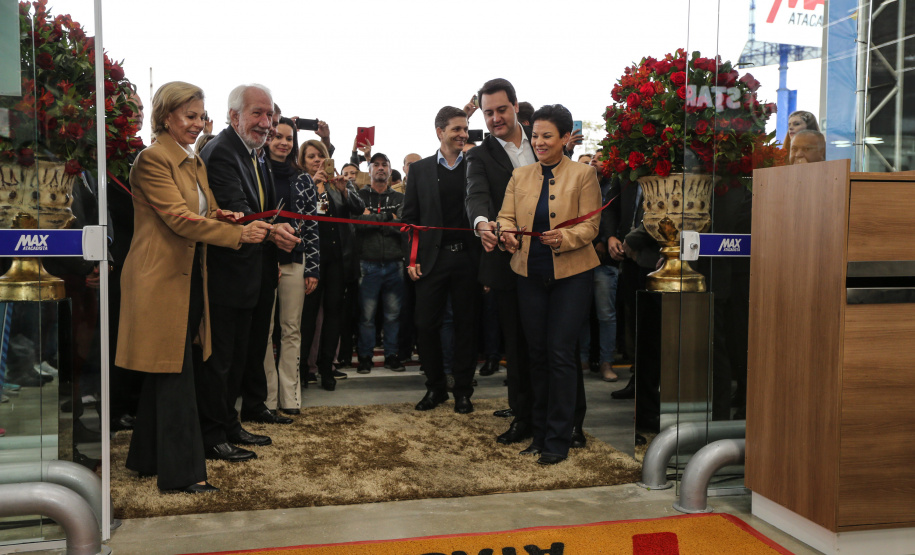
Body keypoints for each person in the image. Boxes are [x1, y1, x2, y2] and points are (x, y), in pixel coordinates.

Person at [117, 81, 272, 492]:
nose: (198, 124)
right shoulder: (152, 160)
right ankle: (183, 475)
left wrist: (227, 217)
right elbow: (179, 219)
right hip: (158, 281)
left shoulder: (193, 160)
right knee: (175, 375)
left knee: (168, 371)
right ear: (165, 116)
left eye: (201, 116)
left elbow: (205, 211)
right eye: (189, 116)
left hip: (187, 280)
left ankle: (146, 458)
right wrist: (239, 234)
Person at [199, 84, 299, 464]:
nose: (266, 122)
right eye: (257, 113)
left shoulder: (254, 152)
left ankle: (230, 424)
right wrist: (274, 232)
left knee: (241, 355)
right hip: (227, 274)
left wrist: (276, 233)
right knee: (222, 359)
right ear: (234, 116)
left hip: (254, 272)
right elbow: (237, 211)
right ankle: (214, 435)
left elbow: (266, 210)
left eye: (269, 114)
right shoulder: (222, 152)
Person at [496, 104, 601, 465]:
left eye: (547, 136)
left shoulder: (584, 174)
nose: (539, 142)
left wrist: (565, 238)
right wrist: (507, 233)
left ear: (565, 138)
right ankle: (539, 434)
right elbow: (505, 216)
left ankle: (559, 437)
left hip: (572, 275)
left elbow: (591, 226)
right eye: (535, 135)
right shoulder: (519, 175)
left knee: (559, 353)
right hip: (529, 274)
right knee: (537, 354)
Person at [465, 78, 536, 445]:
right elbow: (475, 195)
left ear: (516, 106)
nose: (495, 118)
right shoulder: (479, 155)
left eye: (501, 109)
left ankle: (568, 420)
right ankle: (523, 418)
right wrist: (482, 225)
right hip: (507, 262)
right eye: (488, 112)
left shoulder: (542, 139)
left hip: (553, 256)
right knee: (517, 345)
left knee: (559, 344)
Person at [402, 106, 480, 414]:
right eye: (457, 129)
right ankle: (435, 388)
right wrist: (411, 258)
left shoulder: (475, 165)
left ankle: (463, 391)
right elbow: (409, 220)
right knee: (425, 325)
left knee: (467, 327)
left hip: (468, 259)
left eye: (465, 129)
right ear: (440, 132)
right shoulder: (420, 170)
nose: (463, 134)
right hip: (430, 261)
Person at [262, 117, 320, 414]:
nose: (283, 143)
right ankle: (268, 396)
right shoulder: (257, 170)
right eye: (278, 137)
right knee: (264, 330)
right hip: (262, 259)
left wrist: (313, 268)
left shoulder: (304, 179)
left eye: (289, 138)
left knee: (291, 329)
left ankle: (290, 395)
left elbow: (311, 226)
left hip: (295, 261)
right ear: (267, 138)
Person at [299, 140, 365, 388]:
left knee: (333, 315)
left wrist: (344, 190)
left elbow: (358, 208)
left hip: (338, 259)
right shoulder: (302, 183)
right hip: (313, 260)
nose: (317, 160)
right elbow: (318, 213)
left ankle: (327, 367)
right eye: (311, 157)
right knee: (307, 317)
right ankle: (303, 369)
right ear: (303, 161)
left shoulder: (339, 182)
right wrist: (316, 187)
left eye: (321, 156)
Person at [354, 153, 406, 373]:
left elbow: (402, 226)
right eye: (376, 164)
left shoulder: (400, 198)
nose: (381, 168)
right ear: (369, 170)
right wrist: (387, 218)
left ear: (390, 170)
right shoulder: (359, 196)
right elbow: (357, 223)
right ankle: (365, 357)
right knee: (366, 316)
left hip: (395, 263)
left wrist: (371, 219)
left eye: (385, 165)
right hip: (368, 263)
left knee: (393, 315)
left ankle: (392, 355)